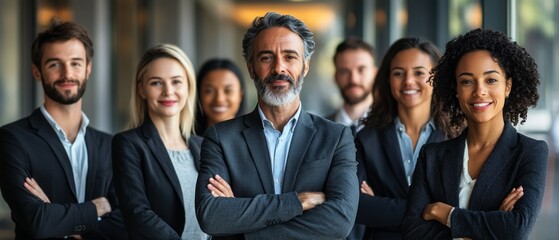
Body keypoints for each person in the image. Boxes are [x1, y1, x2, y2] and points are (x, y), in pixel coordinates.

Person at [195, 12, 359, 239]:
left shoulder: (336, 137)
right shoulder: (221, 138)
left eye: (290, 57)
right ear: (251, 68)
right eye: (266, 57)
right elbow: (212, 217)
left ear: (306, 66)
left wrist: (242, 227)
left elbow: (339, 222)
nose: (278, 68)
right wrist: (297, 202)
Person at [402, 28, 548, 239]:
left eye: (491, 80)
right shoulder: (432, 156)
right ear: (456, 90)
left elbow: (517, 228)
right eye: (467, 81)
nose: (479, 90)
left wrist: (448, 215)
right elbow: (413, 231)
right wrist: (491, 225)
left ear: (508, 86)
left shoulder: (530, 152)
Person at [0, 19, 126, 239]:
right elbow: (38, 222)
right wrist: (96, 208)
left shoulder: (110, 145)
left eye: (76, 63)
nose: (67, 74)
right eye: (54, 64)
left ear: (88, 69)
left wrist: (60, 219)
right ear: (37, 71)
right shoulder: (13, 139)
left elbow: (125, 225)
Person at [353, 37, 454, 240]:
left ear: (437, 78)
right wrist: (435, 211)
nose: (408, 81)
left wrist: (383, 207)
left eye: (419, 72)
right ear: (388, 79)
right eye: (398, 73)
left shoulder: (456, 137)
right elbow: (359, 206)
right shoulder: (366, 139)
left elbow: (464, 205)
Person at [112, 44, 209, 239]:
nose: (168, 91)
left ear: (188, 86)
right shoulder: (128, 144)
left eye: (176, 82)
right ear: (141, 89)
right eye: (156, 83)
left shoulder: (204, 145)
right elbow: (137, 214)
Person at [326, 37, 377, 134]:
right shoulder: (320, 130)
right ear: (335, 77)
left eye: (361, 69)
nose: (353, 79)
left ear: (375, 74)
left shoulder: (391, 129)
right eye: (344, 71)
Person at [195, 58, 246, 135]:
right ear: (199, 94)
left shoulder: (258, 137)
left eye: (228, 91)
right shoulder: (186, 143)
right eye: (209, 91)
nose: (219, 99)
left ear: (241, 95)